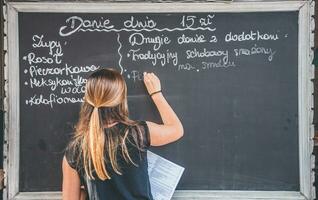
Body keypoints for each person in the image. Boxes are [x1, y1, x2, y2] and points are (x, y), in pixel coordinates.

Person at [62, 68, 184, 200]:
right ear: (121, 99)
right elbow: (176, 130)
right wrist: (156, 93)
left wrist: (85, 193)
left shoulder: (75, 150)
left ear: (87, 99)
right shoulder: (137, 133)